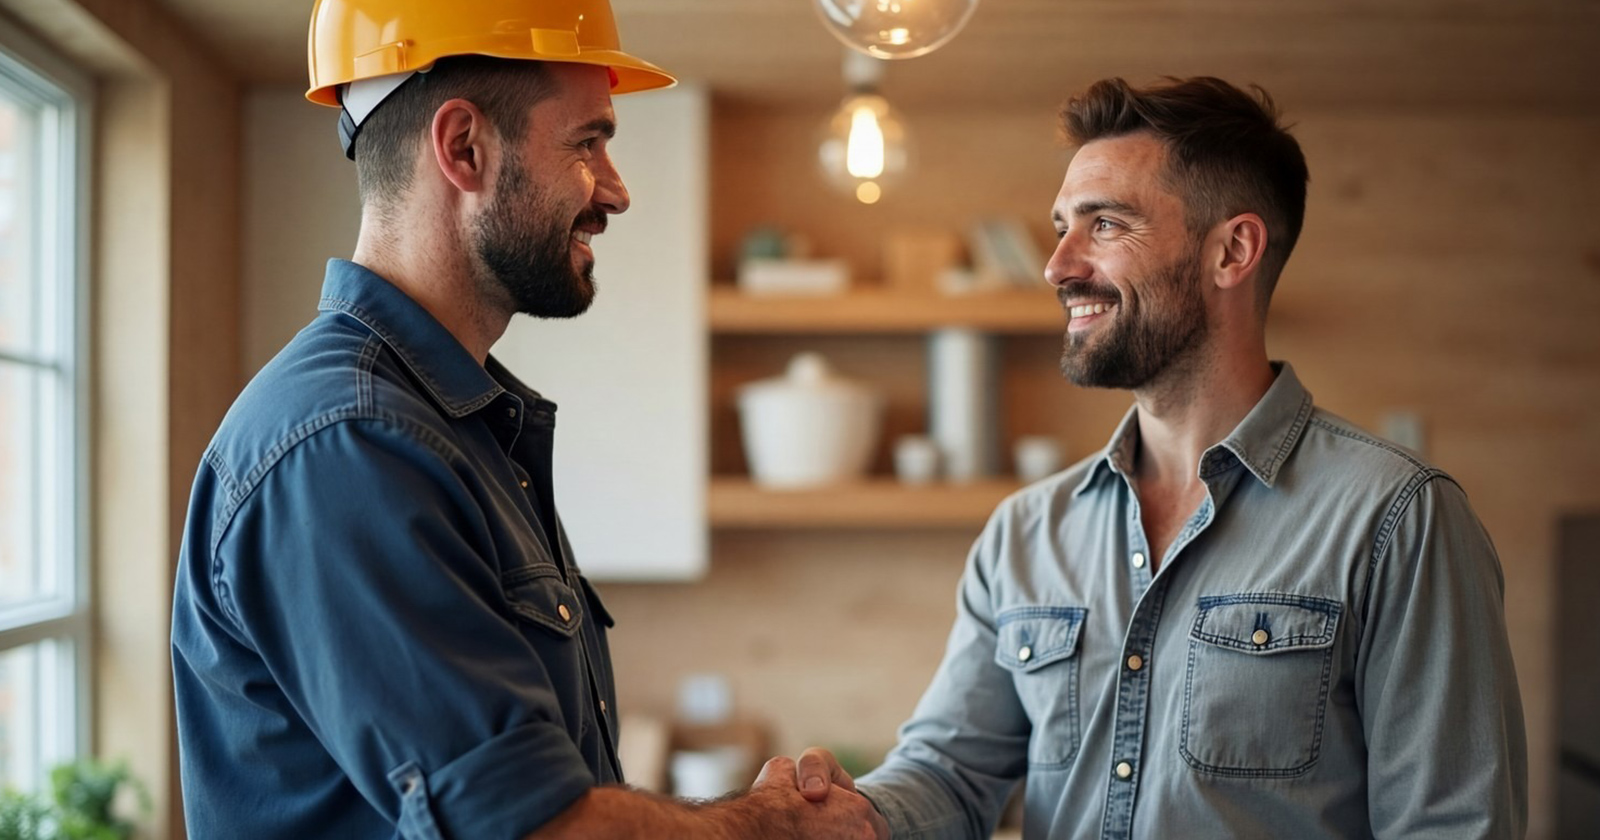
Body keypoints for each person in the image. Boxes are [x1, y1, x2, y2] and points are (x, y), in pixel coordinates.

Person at [169, 1, 886, 838]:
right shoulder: (350, 443)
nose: (615, 191)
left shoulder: (456, 425)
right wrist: (774, 825)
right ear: (464, 148)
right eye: (588, 143)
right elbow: (533, 827)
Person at [791, 76, 1528, 838]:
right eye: (1060, 226)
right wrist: (844, 817)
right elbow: (950, 772)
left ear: (1232, 251)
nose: (1057, 266)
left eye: (1104, 224)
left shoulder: (1398, 519)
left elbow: (1452, 828)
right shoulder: (1024, 534)